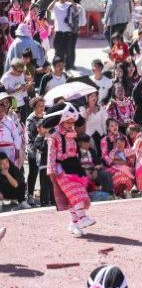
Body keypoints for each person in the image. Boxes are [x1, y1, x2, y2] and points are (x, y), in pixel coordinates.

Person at [42, 103, 98, 235]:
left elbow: (75, 150)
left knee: (74, 196)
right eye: (68, 122)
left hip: (74, 166)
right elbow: (51, 154)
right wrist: (51, 171)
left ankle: (74, 223)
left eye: (72, 122)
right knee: (75, 193)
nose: (70, 125)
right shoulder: (54, 135)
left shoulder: (72, 134)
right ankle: (83, 218)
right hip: (61, 168)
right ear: (61, 121)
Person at [49, 0, 86, 70]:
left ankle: (68, 67)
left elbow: (76, 10)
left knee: (68, 51)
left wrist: (71, 0)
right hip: (58, 32)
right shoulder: (56, 5)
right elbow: (49, 8)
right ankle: (57, 66)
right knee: (58, 51)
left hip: (68, 32)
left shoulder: (69, 4)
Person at [101, 119, 135, 198]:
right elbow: (104, 155)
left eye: (116, 125)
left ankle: (127, 191)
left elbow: (129, 151)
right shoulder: (105, 140)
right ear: (108, 127)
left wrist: (127, 160)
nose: (114, 127)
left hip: (124, 163)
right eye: (112, 126)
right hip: (111, 165)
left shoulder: (124, 138)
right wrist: (113, 162)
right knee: (121, 172)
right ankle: (117, 192)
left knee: (127, 170)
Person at [24, 96, 45, 205]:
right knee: (33, 172)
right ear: (34, 107)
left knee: (45, 172)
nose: (42, 108)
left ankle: (45, 194)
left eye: (43, 105)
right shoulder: (30, 119)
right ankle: (30, 194)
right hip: (33, 149)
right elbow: (31, 135)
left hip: (44, 147)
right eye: (39, 106)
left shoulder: (46, 116)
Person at [0, 94, 22, 166]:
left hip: (9, 148)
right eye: (3, 102)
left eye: (7, 102)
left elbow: (16, 134)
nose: (5, 104)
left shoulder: (11, 119)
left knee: (9, 169)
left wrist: (17, 149)